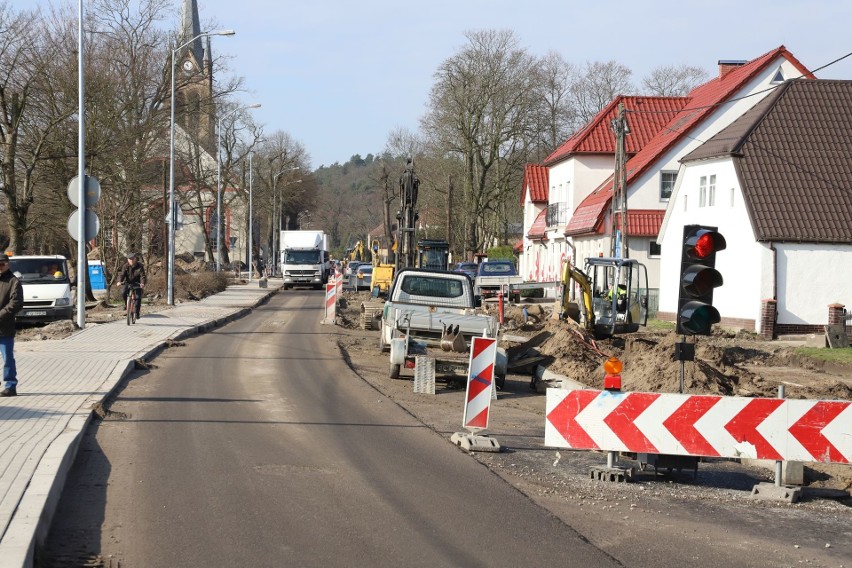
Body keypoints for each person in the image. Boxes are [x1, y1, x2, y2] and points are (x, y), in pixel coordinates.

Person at [0, 255, 24, 396]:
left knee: (7, 358)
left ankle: (10, 385)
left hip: (5, 328)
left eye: (2, 264)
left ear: (8, 265)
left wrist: (1, 315)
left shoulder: (13, 282)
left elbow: (16, 303)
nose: (0, 267)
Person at [118, 252, 146, 319]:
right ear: (128, 260)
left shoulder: (140, 266)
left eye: (133, 259)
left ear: (135, 259)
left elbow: (142, 276)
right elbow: (122, 275)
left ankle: (137, 312)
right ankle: (126, 304)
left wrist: (142, 283)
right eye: (130, 259)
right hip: (128, 283)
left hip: (137, 283)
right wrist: (119, 281)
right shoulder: (125, 266)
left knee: (138, 297)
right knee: (123, 292)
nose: (131, 260)